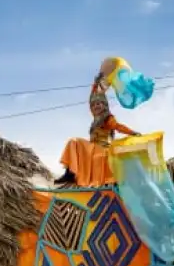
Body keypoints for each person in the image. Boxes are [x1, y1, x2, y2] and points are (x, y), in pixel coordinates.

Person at [56, 58, 142, 186]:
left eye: (99, 104)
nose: (96, 106)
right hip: (92, 148)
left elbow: (119, 127)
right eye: (94, 105)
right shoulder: (96, 117)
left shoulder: (107, 118)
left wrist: (133, 133)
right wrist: (97, 82)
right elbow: (93, 95)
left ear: (104, 105)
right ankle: (70, 174)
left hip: (103, 149)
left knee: (101, 158)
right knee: (73, 142)